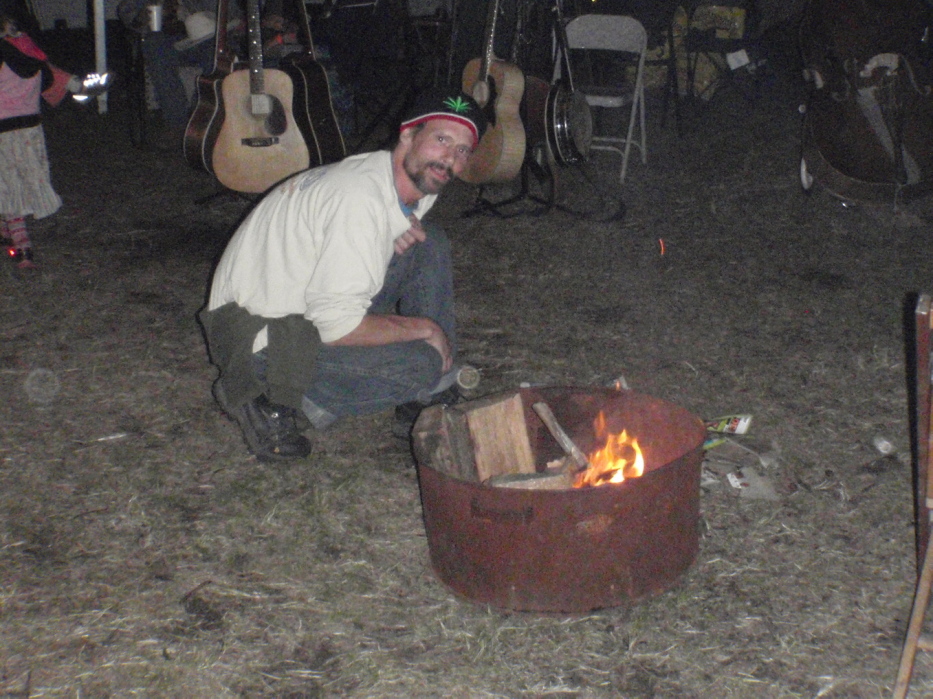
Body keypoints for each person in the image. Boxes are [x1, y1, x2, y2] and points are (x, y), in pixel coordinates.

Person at [199, 87, 487, 462]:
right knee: (421, 363)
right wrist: (426, 329)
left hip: (298, 310)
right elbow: (337, 325)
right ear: (408, 135)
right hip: (257, 336)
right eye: (442, 140)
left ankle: (428, 397)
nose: (449, 158)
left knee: (426, 243)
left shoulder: (400, 180)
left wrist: (391, 234)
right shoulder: (359, 198)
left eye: (462, 150)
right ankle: (268, 395)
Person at [0, 14, 110, 268]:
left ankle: (22, 247)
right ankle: (5, 233)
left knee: (8, 186)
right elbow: (58, 78)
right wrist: (80, 86)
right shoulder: (29, 50)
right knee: (18, 180)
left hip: (3, 132)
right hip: (30, 131)